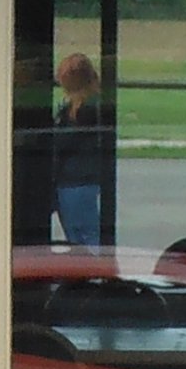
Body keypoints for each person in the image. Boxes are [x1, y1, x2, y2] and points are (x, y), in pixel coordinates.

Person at [49, 52, 114, 248]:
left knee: (83, 236)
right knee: (79, 236)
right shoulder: (75, 107)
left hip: (77, 181)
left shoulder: (86, 109)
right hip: (73, 181)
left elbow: (64, 141)